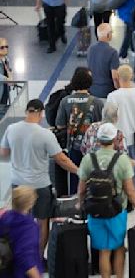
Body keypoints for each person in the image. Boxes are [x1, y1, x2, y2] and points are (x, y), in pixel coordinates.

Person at [0, 99, 78, 258]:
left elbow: (4, 153)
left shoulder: (11, 129)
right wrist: (78, 171)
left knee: (20, 220)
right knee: (42, 221)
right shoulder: (45, 134)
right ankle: (38, 256)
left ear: (26, 112)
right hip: (40, 186)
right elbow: (61, 159)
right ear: (41, 113)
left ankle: (21, 255)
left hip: (18, 184)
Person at [77, 123, 135, 278]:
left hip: (95, 211)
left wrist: (80, 203)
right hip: (116, 211)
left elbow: (81, 189)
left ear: (98, 139)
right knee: (119, 247)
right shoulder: (122, 160)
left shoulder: (89, 159)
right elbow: (130, 190)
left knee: (103, 251)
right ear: (115, 139)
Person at [107, 65, 135, 207]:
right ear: (132, 76)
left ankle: (123, 197)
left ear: (117, 78)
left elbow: (108, 117)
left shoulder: (113, 96)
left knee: (118, 167)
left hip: (119, 139)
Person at [55, 67, 104, 193]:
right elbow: (101, 124)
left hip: (73, 146)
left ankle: (75, 202)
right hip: (92, 148)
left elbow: (59, 125)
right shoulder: (97, 102)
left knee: (75, 175)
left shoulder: (65, 101)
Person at [0, 186, 43, 278]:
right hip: (20, 273)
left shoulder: (5, 217)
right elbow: (26, 257)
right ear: (30, 204)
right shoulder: (29, 227)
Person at [88, 23, 120, 99]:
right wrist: (119, 90)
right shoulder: (112, 52)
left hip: (92, 90)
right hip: (107, 92)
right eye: (111, 32)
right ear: (108, 35)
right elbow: (115, 77)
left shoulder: (90, 49)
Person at [0, 38, 11, 108]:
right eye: (2, 47)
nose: (5, 49)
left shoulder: (6, 59)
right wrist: (7, 79)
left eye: (6, 46)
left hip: (5, 89)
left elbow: (9, 72)